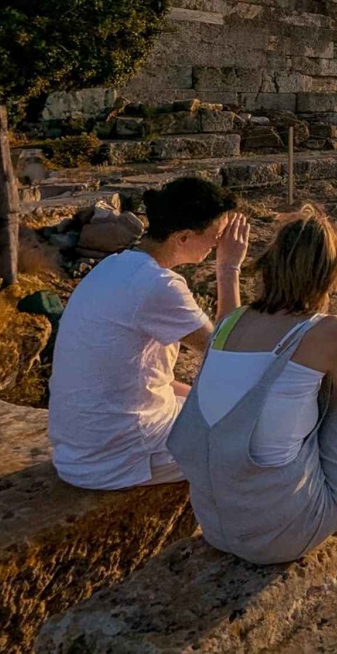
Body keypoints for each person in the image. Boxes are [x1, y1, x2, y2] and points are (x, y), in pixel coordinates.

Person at [169, 206, 337, 565]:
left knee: (294, 391)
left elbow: (235, 320)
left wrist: (228, 269)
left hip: (216, 525)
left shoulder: (229, 325)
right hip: (285, 533)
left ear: (271, 264)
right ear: (331, 276)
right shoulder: (333, 333)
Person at [48, 177, 248, 490]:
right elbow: (228, 351)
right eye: (214, 237)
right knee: (256, 430)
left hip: (79, 452)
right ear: (182, 237)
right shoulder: (159, 286)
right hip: (119, 458)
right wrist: (228, 268)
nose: (217, 245)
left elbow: (150, 378)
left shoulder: (114, 266)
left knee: (213, 401)